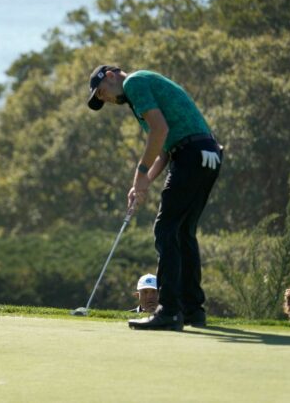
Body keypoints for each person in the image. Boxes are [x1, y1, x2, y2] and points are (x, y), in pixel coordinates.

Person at [86, 65, 222, 331]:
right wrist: (143, 182)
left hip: (191, 154)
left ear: (111, 76)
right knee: (183, 232)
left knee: (165, 229)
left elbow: (158, 132)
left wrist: (139, 173)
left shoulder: (135, 83)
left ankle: (169, 311)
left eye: (102, 93)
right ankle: (193, 310)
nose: (107, 100)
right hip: (209, 154)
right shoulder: (143, 91)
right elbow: (164, 148)